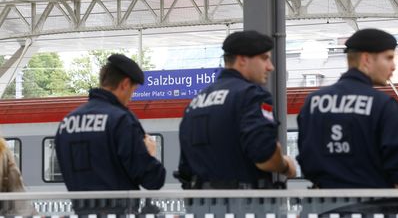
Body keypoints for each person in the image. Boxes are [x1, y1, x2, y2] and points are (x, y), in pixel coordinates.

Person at [296, 28, 398, 215]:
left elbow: (306, 157)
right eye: (388, 58)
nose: (393, 66)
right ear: (366, 59)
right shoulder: (383, 105)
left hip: (322, 209)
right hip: (373, 208)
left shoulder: (313, 102)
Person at [176, 30, 296, 216]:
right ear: (242, 60)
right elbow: (264, 155)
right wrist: (286, 166)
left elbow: (184, 168)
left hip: (199, 208)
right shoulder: (252, 95)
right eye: (264, 58)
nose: (270, 66)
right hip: (243, 207)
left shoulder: (196, 102)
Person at [55, 54, 166, 215]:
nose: (131, 98)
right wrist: (150, 155)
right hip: (119, 212)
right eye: (133, 91)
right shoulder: (121, 120)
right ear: (125, 84)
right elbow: (152, 180)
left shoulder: (67, 123)